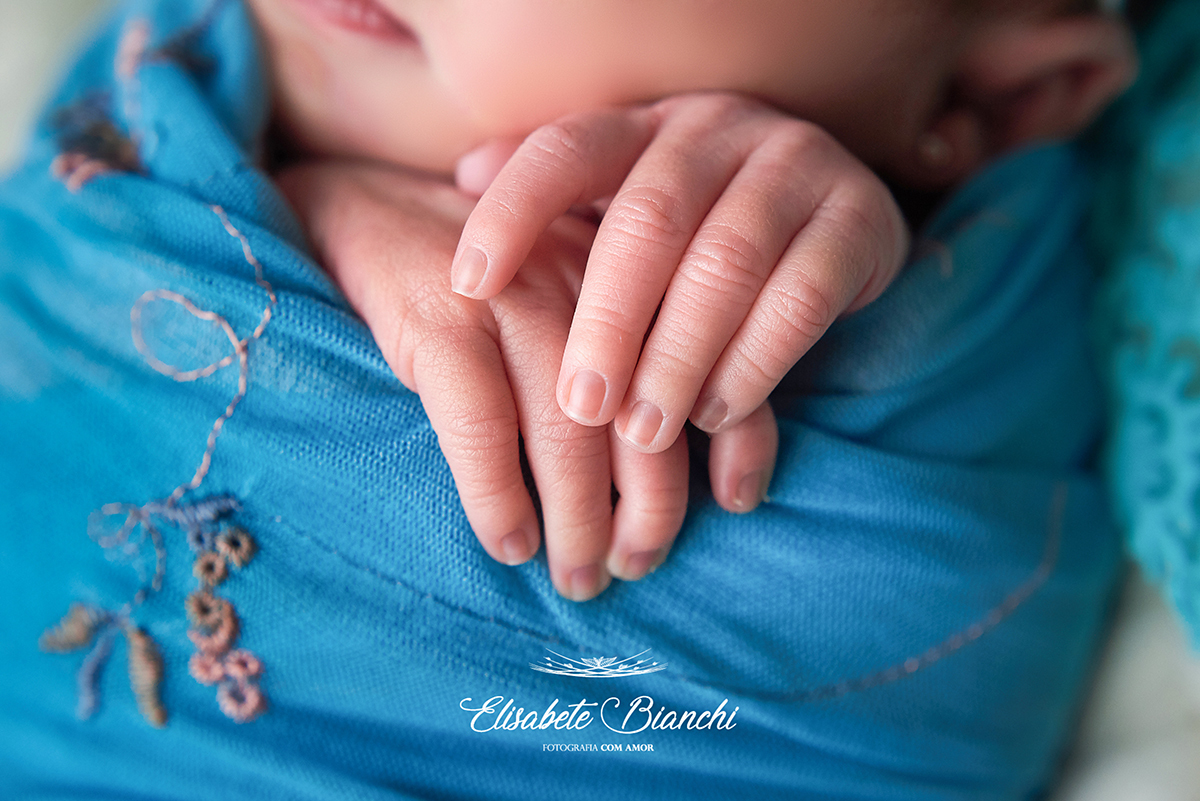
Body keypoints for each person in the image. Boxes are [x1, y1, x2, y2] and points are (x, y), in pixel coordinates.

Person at [0, 0, 1139, 797]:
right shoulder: (189, 73)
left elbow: (931, 606)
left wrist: (841, 230)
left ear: (998, 96)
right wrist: (323, 214)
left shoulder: (1001, 308)